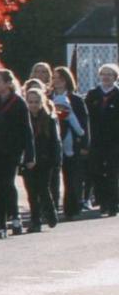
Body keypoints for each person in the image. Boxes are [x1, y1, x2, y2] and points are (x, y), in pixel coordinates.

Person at [0, 69, 34, 238]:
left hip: (12, 151)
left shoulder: (18, 103)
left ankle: (15, 217)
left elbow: (26, 131)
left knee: (7, 184)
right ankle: (0, 224)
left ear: (8, 83)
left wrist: (30, 155)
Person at [50, 66, 89, 220]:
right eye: (54, 78)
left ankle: (71, 208)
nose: (57, 81)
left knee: (71, 176)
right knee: (52, 177)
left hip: (72, 142)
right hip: (52, 142)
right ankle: (51, 208)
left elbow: (84, 123)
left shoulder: (76, 99)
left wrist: (85, 144)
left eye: (60, 78)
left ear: (67, 80)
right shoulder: (47, 97)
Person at [23, 87, 62, 232]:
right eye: (30, 102)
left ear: (42, 102)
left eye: (36, 102)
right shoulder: (23, 118)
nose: (33, 105)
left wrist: (56, 160)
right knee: (31, 191)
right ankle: (35, 220)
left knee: (43, 188)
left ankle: (50, 213)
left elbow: (55, 142)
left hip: (45, 160)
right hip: (28, 160)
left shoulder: (49, 119)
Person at [85, 63, 119, 216]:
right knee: (97, 171)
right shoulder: (92, 94)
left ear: (115, 77)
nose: (106, 77)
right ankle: (102, 202)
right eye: (103, 74)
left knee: (113, 172)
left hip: (114, 140)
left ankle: (113, 203)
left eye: (109, 74)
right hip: (96, 140)